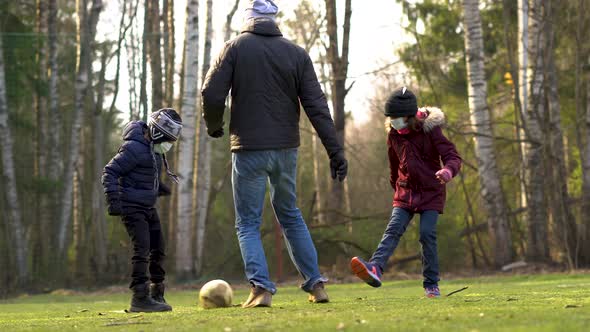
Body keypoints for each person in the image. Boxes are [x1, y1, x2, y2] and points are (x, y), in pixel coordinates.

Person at [201, 0, 348, 308]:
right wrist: (335, 152)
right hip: (285, 150)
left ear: (248, 18)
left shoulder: (234, 47)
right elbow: (317, 107)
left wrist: (215, 125)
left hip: (249, 150)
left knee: (248, 223)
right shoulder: (297, 54)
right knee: (291, 215)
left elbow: (211, 92)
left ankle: (261, 289)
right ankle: (317, 285)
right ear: (273, 20)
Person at [350, 87, 461, 298]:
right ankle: (375, 268)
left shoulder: (431, 131)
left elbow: (453, 156)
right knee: (393, 229)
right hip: (405, 192)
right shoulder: (393, 135)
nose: (393, 122)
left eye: (397, 118)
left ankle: (431, 284)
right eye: (391, 118)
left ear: (410, 117)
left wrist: (447, 171)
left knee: (427, 235)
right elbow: (394, 165)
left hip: (431, 191)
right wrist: (397, 187)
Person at [101, 108, 182, 312]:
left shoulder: (153, 150)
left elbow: (145, 173)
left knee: (159, 247)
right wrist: (114, 201)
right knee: (142, 249)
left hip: (147, 205)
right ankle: (140, 297)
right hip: (131, 206)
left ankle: (157, 293)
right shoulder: (133, 149)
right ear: (155, 132)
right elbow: (109, 172)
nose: (170, 145)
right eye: (168, 139)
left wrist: (157, 189)